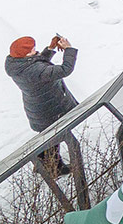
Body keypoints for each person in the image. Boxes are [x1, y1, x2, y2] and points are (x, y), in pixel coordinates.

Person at [6, 34, 79, 172]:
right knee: (53, 137)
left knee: (50, 137)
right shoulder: (34, 71)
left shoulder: (15, 64)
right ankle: (51, 168)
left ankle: (47, 165)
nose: (36, 51)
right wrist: (69, 49)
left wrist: (50, 48)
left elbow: (35, 63)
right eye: (33, 50)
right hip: (50, 109)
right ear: (27, 54)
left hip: (38, 108)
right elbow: (65, 70)